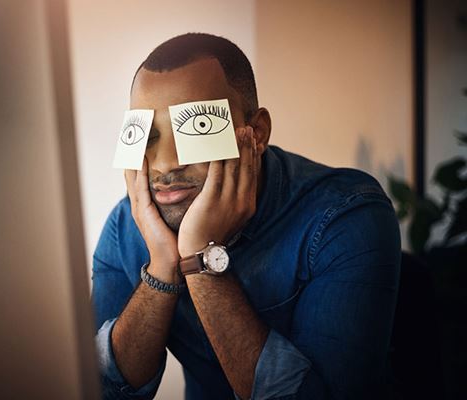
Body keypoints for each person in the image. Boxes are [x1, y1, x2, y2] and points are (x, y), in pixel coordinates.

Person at [92, 33, 400, 400]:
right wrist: (162, 265)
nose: (165, 165)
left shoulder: (346, 216)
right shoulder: (126, 225)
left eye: (199, 128)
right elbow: (100, 391)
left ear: (257, 132)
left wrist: (199, 259)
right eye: (148, 136)